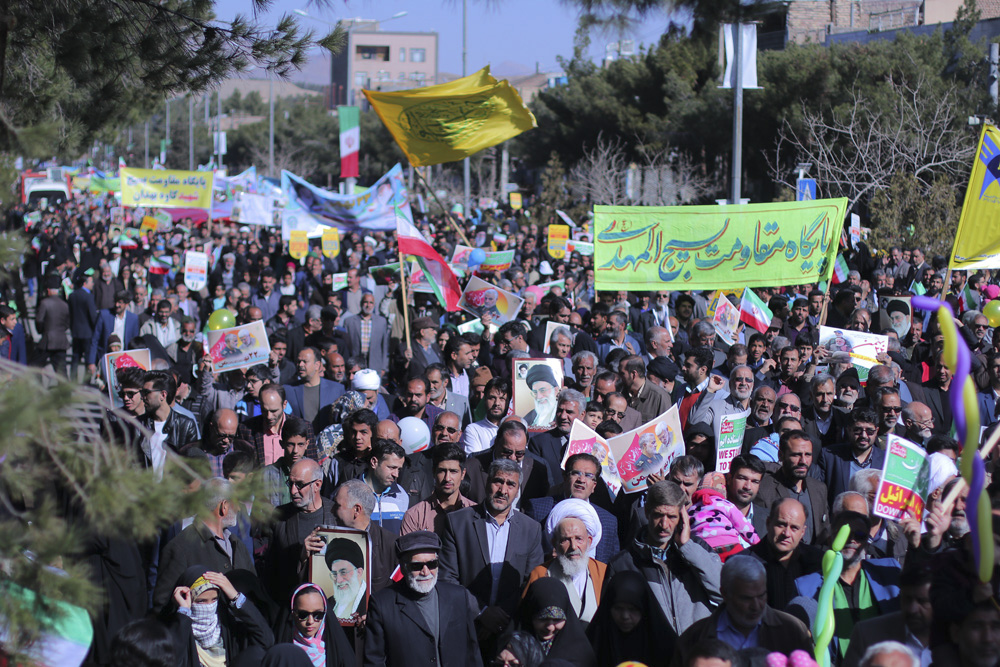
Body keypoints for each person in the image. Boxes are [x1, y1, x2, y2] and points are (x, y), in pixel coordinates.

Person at [440, 458, 545, 642]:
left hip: (510, 631)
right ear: (488, 482)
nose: (503, 490)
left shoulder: (531, 529)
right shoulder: (457, 522)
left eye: (511, 484)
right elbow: (447, 578)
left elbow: (531, 582)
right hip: (465, 626)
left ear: (517, 491)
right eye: (498, 481)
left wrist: (500, 618)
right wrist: (482, 613)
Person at [604, 481, 723, 638]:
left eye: (671, 516)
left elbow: (725, 592)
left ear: (682, 516)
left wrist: (687, 547)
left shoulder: (697, 550)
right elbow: (611, 622)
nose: (664, 524)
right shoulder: (623, 563)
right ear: (646, 512)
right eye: (658, 515)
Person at [364, 530, 483, 667]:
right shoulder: (382, 603)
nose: (425, 572)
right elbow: (374, 661)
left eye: (432, 564)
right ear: (403, 567)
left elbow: (472, 652)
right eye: (417, 566)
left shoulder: (458, 596)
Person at [674, 555, 811, 660]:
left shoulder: (792, 631)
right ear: (725, 594)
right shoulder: (693, 639)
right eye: (746, 598)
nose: (756, 606)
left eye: (761, 595)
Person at [153, 478, 254, 611]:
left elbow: (254, 592)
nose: (239, 508)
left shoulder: (237, 545)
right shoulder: (180, 548)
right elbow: (162, 605)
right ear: (224, 506)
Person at [165, 566, 273, 667]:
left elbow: (266, 640)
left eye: (214, 600)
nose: (209, 606)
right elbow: (170, 661)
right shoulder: (177, 632)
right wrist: (183, 614)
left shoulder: (227, 629)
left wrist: (235, 597)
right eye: (201, 601)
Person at [521, 453, 620, 563]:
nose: (581, 480)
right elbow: (523, 555)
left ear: (594, 486)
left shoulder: (608, 521)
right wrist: (546, 559)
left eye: (588, 475)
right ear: (565, 477)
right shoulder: (538, 510)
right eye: (576, 473)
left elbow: (612, 566)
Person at [264, 458, 337, 605]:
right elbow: (272, 569)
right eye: (290, 483)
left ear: (317, 485)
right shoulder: (280, 516)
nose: (293, 491)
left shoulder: (336, 514)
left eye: (299, 485)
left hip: (329, 607)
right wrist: (301, 557)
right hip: (290, 605)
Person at [523, 499, 607, 623]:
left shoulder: (603, 572)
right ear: (554, 543)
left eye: (579, 539)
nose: (573, 546)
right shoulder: (541, 574)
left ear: (589, 541)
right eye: (565, 540)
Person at [843, 563, 932, 667]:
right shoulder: (867, 635)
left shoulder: (953, 635)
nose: (912, 609)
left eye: (922, 601)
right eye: (907, 600)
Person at [745, 498, 823, 610]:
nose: (786, 533)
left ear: (803, 532)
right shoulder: (743, 562)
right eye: (781, 525)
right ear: (768, 523)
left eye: (794, 528)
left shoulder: (818, 562)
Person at [586, 569, 673, 667]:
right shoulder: (593, 644)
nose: (625, 616)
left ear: (644, 609)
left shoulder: (666, 646)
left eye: (632, 609)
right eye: (618, 608)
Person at [756, 430, 829, 545]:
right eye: (796, 455)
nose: (803, 461)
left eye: (808, 455)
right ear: (781, 456)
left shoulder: (819, 489)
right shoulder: (764, 490)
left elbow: (824, 533)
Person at [330, 478, 397, 594]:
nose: (332, 510)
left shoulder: (390, 545)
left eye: (338, 505)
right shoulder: (328, 539)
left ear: (356, 510)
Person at [508, 577, 596, 665]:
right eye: (543, 619)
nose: (550, 627)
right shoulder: (509, 648)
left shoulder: (580, 655)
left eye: (557, 620)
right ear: (530, 615)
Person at [399, 443, 476, 536]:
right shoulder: (415, 516)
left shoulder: (476, 513)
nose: (447, 478)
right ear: (433, 472)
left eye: (453, 471)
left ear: (463, 474)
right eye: (442, 471)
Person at [273, 583, 355, 667]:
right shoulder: (280, 650)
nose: (310, 621)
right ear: (293, 613)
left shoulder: (338, 650)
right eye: (303, 614)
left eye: (318, 614)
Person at [139, 370, 200, 478]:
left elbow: (193, 466)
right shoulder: (138, 425)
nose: (142, 397)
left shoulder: (185, 425)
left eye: (146, 392)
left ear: (163, 395)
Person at [527, 388, 587, 487]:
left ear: (582, 415)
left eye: (569, 412)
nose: (563, 416)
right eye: (559, 411)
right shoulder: (539, 443)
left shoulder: (592, 443)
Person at [284, 346, 346, 430]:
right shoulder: (288, 390)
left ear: (317, 365)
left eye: (305, 362)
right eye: (299, 361)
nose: (300, 365)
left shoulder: (337, 389)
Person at [362, 439, 410, 535]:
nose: (396, 474)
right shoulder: (349, 492)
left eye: (399, 469)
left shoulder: (401, 495)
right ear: (374, 462)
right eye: (391, 467)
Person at [460, 377, 511, 455]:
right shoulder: (474, 430)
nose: (497, 403)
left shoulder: (515, 428)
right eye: (492, 398)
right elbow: (474, 462)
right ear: (485, 399)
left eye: (502, 399)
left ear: (508, 402)